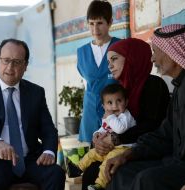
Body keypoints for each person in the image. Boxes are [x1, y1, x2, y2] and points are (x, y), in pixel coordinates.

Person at [105, 24, 185, 190]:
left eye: (155, 52)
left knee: (147, 180)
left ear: (174, 53)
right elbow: (165, 134)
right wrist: (128, 155)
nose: (152, 59)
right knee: (122, 171)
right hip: (176, 161)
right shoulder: (181, 86)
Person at [0, 39, 65, 190]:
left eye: (17, 62)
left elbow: (48, 130)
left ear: (25, 66)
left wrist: (49, 151)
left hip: (30, 160)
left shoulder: (36, 93)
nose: (10, 67)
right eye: (6, 60)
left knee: (56, 173)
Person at [81, 38, 170, 189]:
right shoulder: (121, 89)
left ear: (132, 58)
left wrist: (117, 139)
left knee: (108, 171)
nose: (110, 66)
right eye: (108, 61)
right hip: (118, 148)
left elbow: (151, 126)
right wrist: (98, 140)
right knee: (91, 169)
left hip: (143, 151)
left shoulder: (153, 85)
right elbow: (107, 121)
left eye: (114, 59)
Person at [68, 83, 136, 190]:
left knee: (107, 162)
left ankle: (99, 184)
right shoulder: (109, 117)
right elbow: (103, 128)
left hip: (123, 149)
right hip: (110, 148)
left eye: (119, 101)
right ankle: (78, 168)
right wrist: (96, 134)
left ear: (126, 102)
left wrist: (110, 116)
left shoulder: (126, 116)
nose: (114, 106)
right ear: (103, 106)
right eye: (110, 102)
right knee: (91, 153)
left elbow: (120, 129)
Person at [77, 0, 120, 143]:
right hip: (89, 116)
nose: (95, 29)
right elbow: (86, 82)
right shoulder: (81, 52)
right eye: (91, 23)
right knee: (87, 161)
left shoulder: (120, 47)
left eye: (100, 23)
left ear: (110, 22)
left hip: (115, 116)